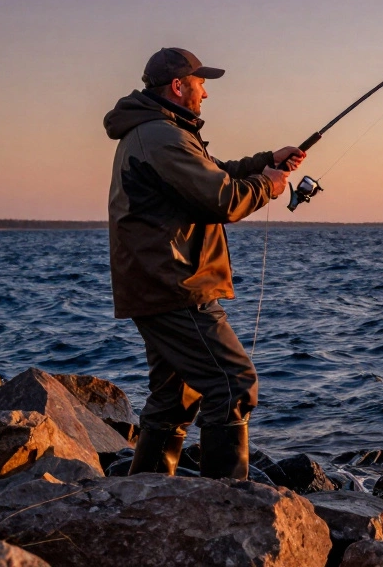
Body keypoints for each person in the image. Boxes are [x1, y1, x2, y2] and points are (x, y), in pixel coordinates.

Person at [103, 47, 304, 478]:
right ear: (178, 86)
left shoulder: (159, 131)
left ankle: (146, 497)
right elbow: (222, 198)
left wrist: (265, 163)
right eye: (200, 84)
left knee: (176, 395)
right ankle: (225, 507)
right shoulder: (160, 135)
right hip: (175, 284)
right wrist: (266, 186)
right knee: (233, 383)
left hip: (155, 284)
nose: (205, 93)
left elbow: (214, 171)